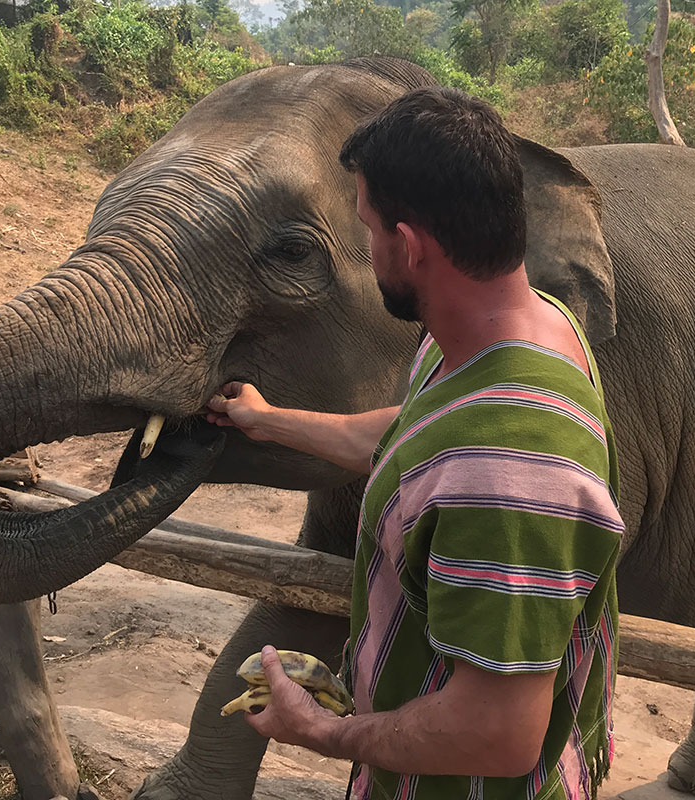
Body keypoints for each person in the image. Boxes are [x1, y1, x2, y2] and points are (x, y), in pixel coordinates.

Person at [205, 87, 623, 800]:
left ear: (408, 245)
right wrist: (269, 419)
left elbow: (497, 732)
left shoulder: (509, 475)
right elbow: (416, 440)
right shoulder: (513, 331)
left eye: (366, 228)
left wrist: (322, 732)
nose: (368, 250)